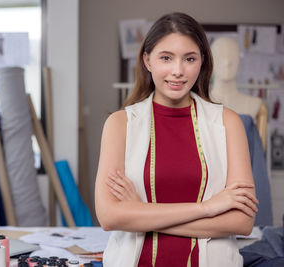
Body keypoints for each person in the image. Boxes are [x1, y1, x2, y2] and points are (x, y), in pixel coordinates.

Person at [95, 12, 258, 267]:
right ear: (147, 60)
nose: (178, 71)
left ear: (202, 61)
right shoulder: (120, 124)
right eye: (166, 58)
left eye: (189, 59)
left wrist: (142, 212)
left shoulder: (228, 123)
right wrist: (208, 207)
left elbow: (242, 222)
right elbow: (109, 217)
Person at [210, 36, 268, 150]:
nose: (227, 61)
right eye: (220, 56)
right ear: (210, 61)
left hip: (245, 166)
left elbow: (259, 155)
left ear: (239, 60)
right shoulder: (196, 103)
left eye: (232, 57)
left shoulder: (256, 105)